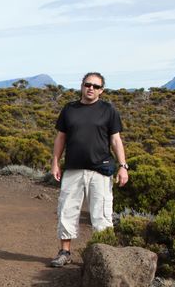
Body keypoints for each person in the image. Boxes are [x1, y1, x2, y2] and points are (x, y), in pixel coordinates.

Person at [49, 72, 129, 267]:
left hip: (100, 170)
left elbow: (116, 140)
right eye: (87, 84)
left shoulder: (108, 110)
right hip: (73, 168)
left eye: (95, 86)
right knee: (66, 210)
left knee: (101, 213)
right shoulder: (69, 109)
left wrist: (123, 166)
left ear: (101, 90)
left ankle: (104, 255)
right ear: (82, 86)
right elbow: (61, 137)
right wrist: (55, 162)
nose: (90, 88)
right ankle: (64, 252)